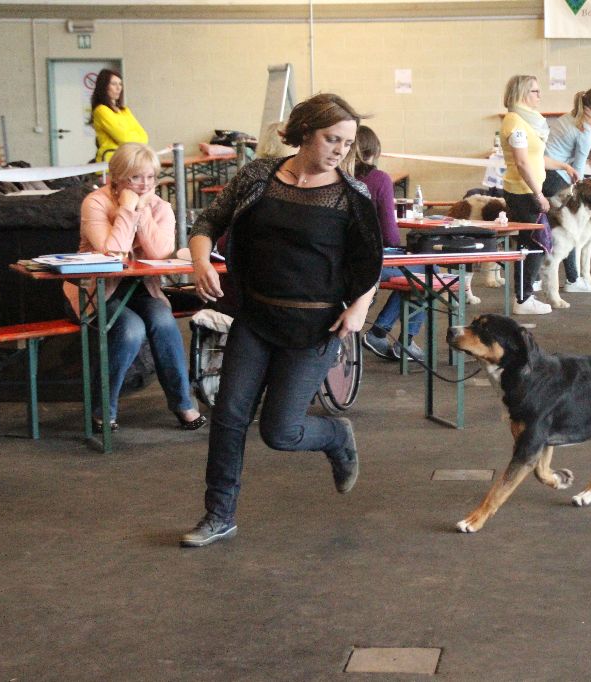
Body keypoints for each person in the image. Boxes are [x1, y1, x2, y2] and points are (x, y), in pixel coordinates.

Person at [181, 93, 382, 548]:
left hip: (315, 328)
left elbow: (370, 261)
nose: (340, 150)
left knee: (281, 432)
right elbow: (208, 222)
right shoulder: (259, 176)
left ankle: (335, 436)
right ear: (305, 132)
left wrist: (359, 307)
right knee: (229, 417)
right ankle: (218, 515)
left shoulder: (352, 195)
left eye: (347, 142)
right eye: (332, 139)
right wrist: (201, 262)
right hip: (255, 317)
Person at [64, 142, 206, 432]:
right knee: (131, 328)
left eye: (151, 177)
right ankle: (103, 409)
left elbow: (159, 253)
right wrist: (127, 209)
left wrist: (142, 212)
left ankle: (182, 403)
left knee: (163, 319)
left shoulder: (160, 207)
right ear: (117, 178)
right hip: (94, 292)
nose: (145, 185)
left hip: (141, 289)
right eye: (136, 177)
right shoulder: (96, 202)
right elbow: (112, 255)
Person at [501, 74, 575, 314]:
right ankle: (523, 298)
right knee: (534, 244)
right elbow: (522, 163)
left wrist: (564, 166)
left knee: (532, 244)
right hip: (522, 193)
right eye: (535, 91)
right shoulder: (515, 121)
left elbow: (536, 158)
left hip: (528, 191)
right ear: (522, 93)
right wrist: (538, 195)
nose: (539, 95)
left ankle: (525, 295)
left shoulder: (528, 122)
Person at [354, 125, 426, 362]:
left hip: (339, 259)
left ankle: (380, 332)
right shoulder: (379, 180)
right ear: (373, 150)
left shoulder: (333, 176)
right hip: (368, 262)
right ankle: (401, 339)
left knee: (414, 274)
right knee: (426, 271)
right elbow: (390, 234)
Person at [543, 88, 591, 293]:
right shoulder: (586, 131)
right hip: (556, 178)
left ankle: (537, 280)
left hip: (544, 174)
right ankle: (573, 280)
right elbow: (578, 170)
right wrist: (580, 191)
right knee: (571, 229)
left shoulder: (570, 117)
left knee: (545, 227)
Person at [89, 68, 148, 163]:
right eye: (113, 84)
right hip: (111, 162)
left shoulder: (125, 110)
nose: (118, 88)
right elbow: (124, 138)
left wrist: (131, 137)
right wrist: (133, 136)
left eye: (120, 84)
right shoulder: (101, 110)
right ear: (104, 86)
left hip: (128, 159)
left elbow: (144, 136)